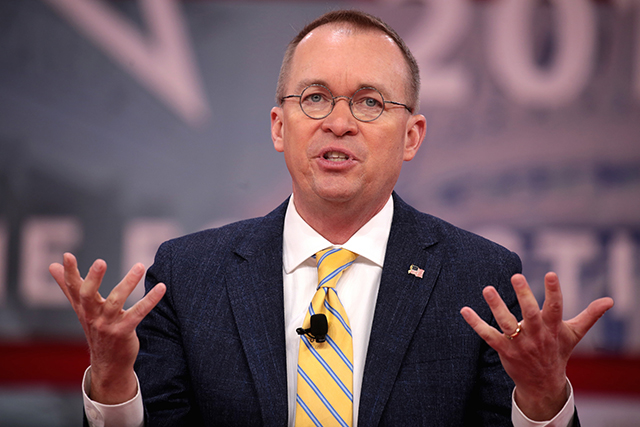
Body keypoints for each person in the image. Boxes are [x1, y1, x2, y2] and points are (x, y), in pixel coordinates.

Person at [50, 9, 614, 427]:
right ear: (278, 126)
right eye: (315, 97)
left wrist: (543, 399)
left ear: (412, 135)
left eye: (369, 102)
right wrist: (113, 383)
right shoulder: (190, 274)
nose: (338, 123)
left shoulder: (480, 277)